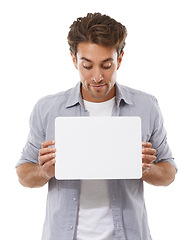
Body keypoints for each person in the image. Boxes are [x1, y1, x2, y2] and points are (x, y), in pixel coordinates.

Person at [16, 13, 177, 240]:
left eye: (106, 65)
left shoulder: (146, 106)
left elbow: (169, 173)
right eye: (87, 66)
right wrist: (44, 172)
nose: (97, 76)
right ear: (74, 60)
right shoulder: (47, 109)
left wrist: (144, 168)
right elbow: (23, 174)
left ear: (119, 60)